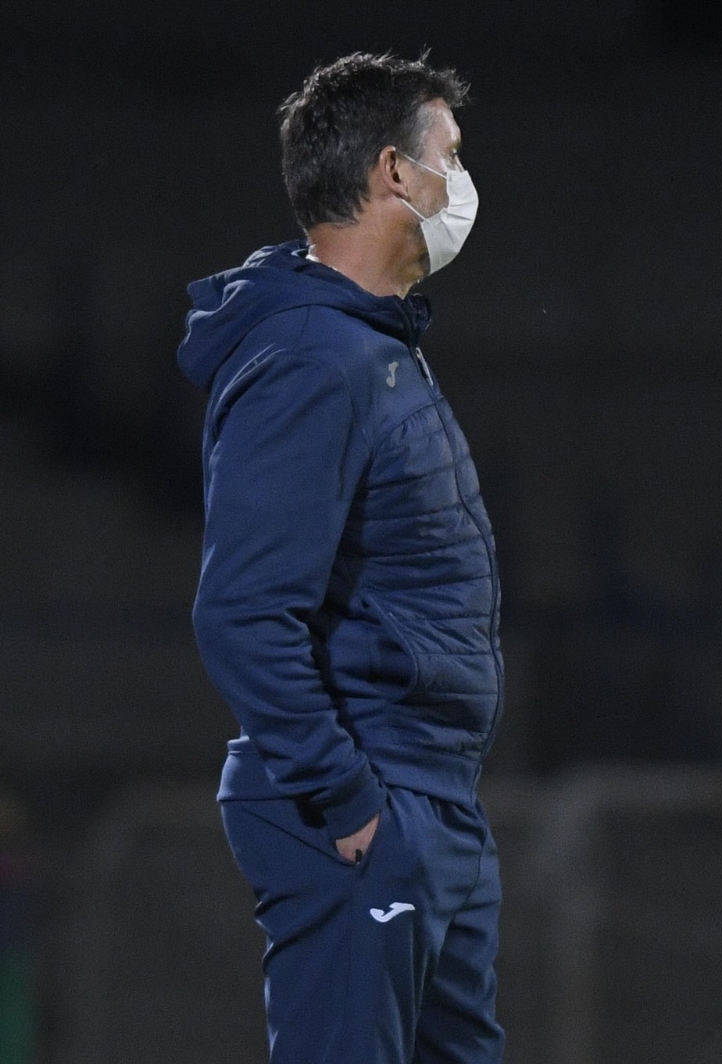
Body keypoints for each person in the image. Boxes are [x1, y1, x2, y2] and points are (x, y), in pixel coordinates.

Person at [178, 52, 504, 1063]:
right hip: (369, 803)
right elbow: (239, 613)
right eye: (450, 153)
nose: (463, 178)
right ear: (393, 173)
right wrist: (351, 803)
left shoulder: (372, 346)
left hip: (431, 796)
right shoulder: (314, 358)